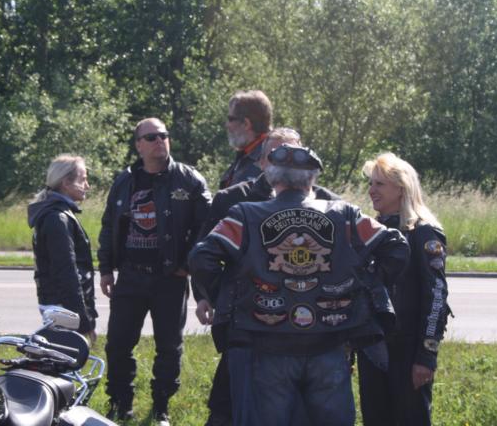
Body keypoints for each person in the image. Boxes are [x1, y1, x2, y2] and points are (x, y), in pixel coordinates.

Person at [190, 144, 409, 426]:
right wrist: (357, 285)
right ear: (312, 179)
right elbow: (396, 247)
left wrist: (232, 294)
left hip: (266, 345)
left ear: (271, 178)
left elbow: (201, 257)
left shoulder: (244, 216)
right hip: (330, 344)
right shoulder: (345, 215)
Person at [196, 127, 340, 426]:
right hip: (250, 323)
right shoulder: (233, 200)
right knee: (231, 403)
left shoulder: (330, 204)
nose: (286, 162)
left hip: (308, 329)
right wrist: (215, 296)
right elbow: (202, 254)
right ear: (261, 162)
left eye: (293, 154)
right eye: (276, 155)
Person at [98, 118, 211, 425]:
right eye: (151, 137)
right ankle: (120, 403)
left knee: (169, 347)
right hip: (131, 275)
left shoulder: (188, 179)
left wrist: (188, 263)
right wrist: (105, 268)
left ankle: (161, 406)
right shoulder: (125, 180)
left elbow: (207, 224)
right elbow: (109, 225)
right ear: (139, 145)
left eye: (164, 135)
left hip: (169, 278)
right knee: (118, 344)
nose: (160, 140)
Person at [357, 152, 450, 426]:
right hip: (372, 349)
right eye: (371, 184)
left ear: (401, 188)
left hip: (408, 352)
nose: (371, 190)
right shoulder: (370, 231)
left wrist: (426, 355)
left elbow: (436, 297)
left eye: (379, 184)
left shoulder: (423, 232)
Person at [27, 154, 97, 343]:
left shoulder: (58, 214)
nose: (87, 186)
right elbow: (66, 271)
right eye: (83, 179)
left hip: (61, 305)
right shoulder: (57, 218)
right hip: (63, 308)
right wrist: (83, 320)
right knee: (65, 357)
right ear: (66, 183)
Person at [219, 90, 273, 189]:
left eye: (230, 119)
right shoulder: (247, 155)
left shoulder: (270, 159)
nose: (227, 125)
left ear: (246, 124)